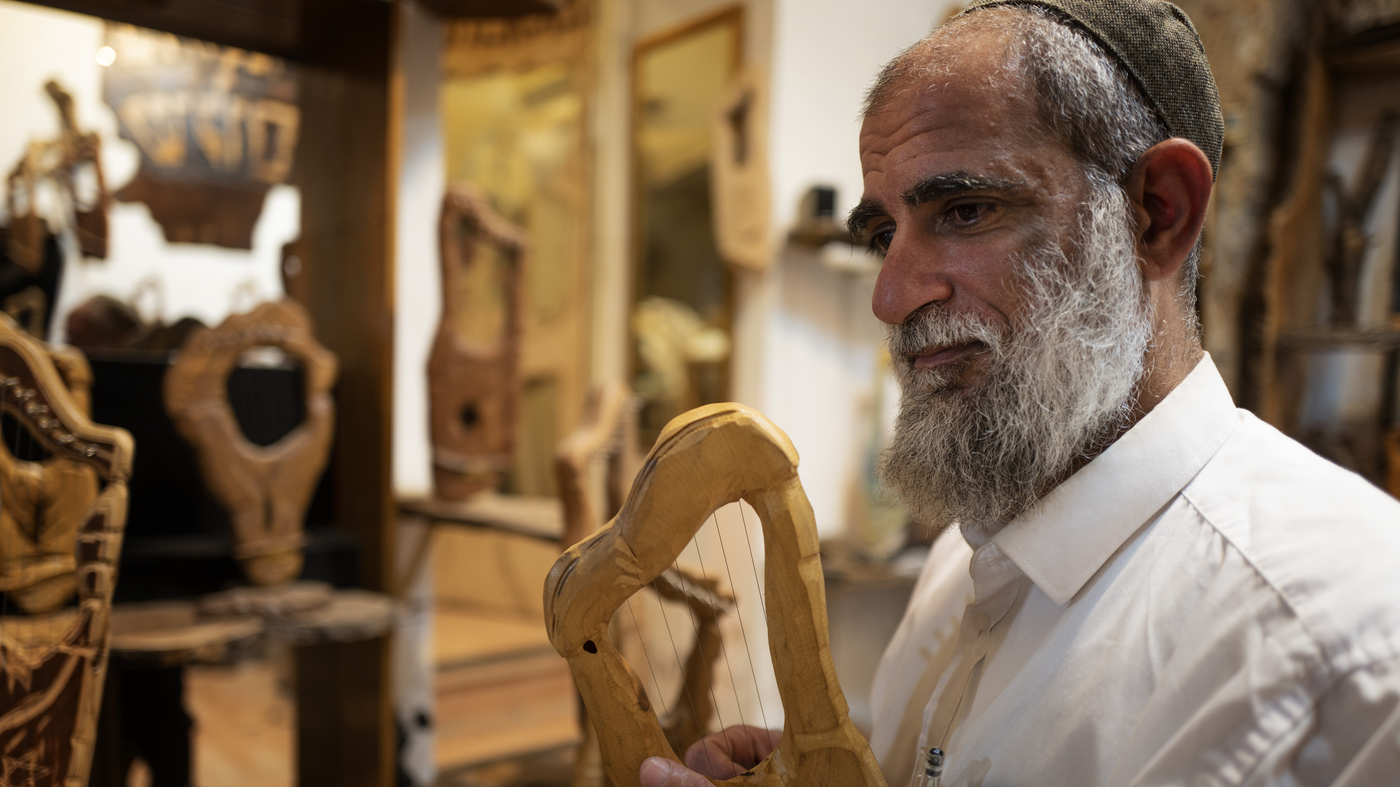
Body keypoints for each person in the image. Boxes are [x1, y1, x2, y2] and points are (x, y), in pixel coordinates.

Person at [638, 0, 1400, 785]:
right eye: (881, 236)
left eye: (964, 211)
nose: (891, 296)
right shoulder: (958, 562)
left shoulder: (1348, 647)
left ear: (1157, 214)